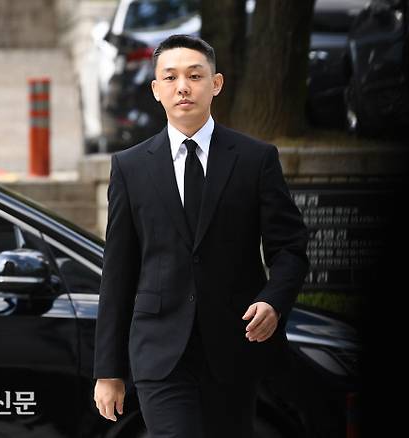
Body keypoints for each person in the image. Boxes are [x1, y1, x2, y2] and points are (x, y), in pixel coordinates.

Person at [92, 34, 309, 438]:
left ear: (216, 83)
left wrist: (273, 301)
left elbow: (291, 249)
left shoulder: (255, 159)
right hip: (159, 352)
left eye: (195, 75)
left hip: (233, 346)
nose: (183, 87)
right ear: (156, 89)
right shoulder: (130, 167)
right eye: (170, 78)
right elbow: (117, 272)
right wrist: (109, 371)